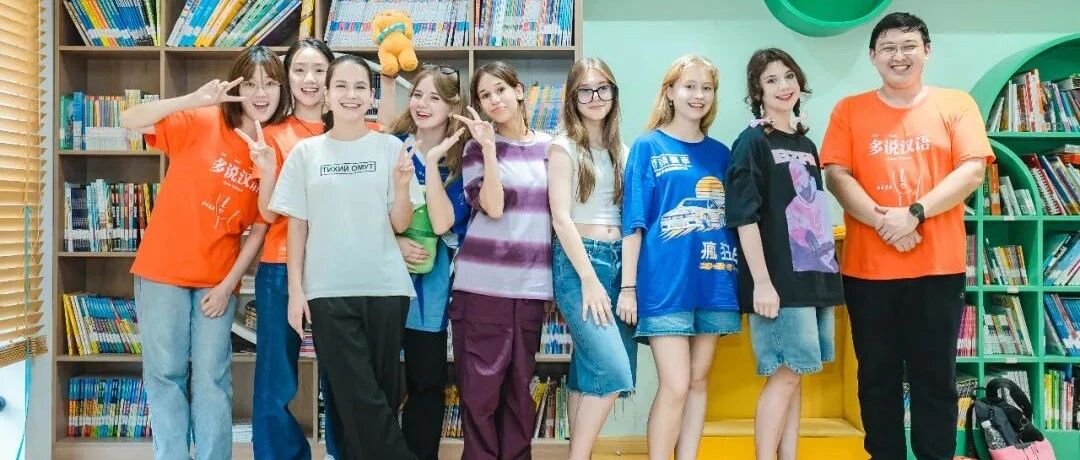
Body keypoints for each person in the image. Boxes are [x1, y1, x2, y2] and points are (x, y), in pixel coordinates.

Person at [820, 12, 992, 460]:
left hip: (937, 269)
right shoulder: (849, 109)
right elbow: (836, 175)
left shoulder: (956, 104)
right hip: (867, 271)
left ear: (927, 51)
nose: (899, 55)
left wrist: (914, 214)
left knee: (935, 377)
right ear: (873, 56)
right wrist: (887, 222)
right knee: (876, 378)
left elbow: (972, 170)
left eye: (909, 45)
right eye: (889, 47)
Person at [119, 45, 284, 459]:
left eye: (270, 84)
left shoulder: (275, 148)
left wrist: (229, 285)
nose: (260, 93)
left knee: (212, 378)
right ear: (236, 86)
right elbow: (129, 118)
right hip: (162, 271)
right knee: (166, 374)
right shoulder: (202, 119)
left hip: (216, 280)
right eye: (251, 84)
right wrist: (193, 99)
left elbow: (261, 225)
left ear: (282, 91)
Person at [268, 54, 420, 460]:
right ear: (327, 94)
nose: (350, 95)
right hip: (327, 291)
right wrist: (296, 292)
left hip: (386, 289)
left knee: (380, 396)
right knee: (354, 393)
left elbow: (401, 223)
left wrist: (401, 187)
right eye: (341, 86)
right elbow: (297, 226)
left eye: (359, 87)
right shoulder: (306, 153)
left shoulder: (390, 147)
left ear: (370, 96)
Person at [725, 48, 843, 460]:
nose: (783, 86)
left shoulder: (806, 143)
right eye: (771, 80)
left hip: (814, 274)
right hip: (778, 282)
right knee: (787, 374)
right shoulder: (752, 141)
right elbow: (743, 217)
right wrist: (762, 283)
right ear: (757, 91)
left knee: (798, 375)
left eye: (789, 76)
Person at [621, 54, 740, 460]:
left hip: (716, 278)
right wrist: (629, 287)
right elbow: (634, 221)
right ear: (670, 92)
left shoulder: (722, 154)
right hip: (664, 283)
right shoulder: (648, 145)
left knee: (698, 382)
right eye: (689, 86)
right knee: (675, 384)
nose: (698, 95)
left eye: (707, 88)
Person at [449, 61, 553, 460]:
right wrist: (490, 148)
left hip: (531, 288)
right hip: (482, 288)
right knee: (479, 394)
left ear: (519, 90)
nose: (494, 100)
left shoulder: (551, 147)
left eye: (500, 90)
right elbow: (492, 207)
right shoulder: (476, 149)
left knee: (518, 392)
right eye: (484, 95)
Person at [548, 57, 636, 460]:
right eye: (585, 90)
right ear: (573, 97)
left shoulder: (623, 150)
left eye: (603, 88)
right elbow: (560, 218)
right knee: (614, 370)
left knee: (587, 370)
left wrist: (630, 282)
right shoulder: (563, 146)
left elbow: (631, 218)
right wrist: (588, 278)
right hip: (581, 263)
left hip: (619, 263)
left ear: (614, 93)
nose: (595, 96)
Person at [387, 63, 470, 460]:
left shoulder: (463, 161)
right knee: (381, 381)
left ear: (453, 106)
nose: (422, 104)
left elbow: (444, 224)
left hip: (432, 288)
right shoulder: (390, 146)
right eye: (417, 94)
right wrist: (395, 241)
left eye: (434, 97)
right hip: (383, 282)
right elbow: (361, 209)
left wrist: (433, 165)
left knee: (426, 381)